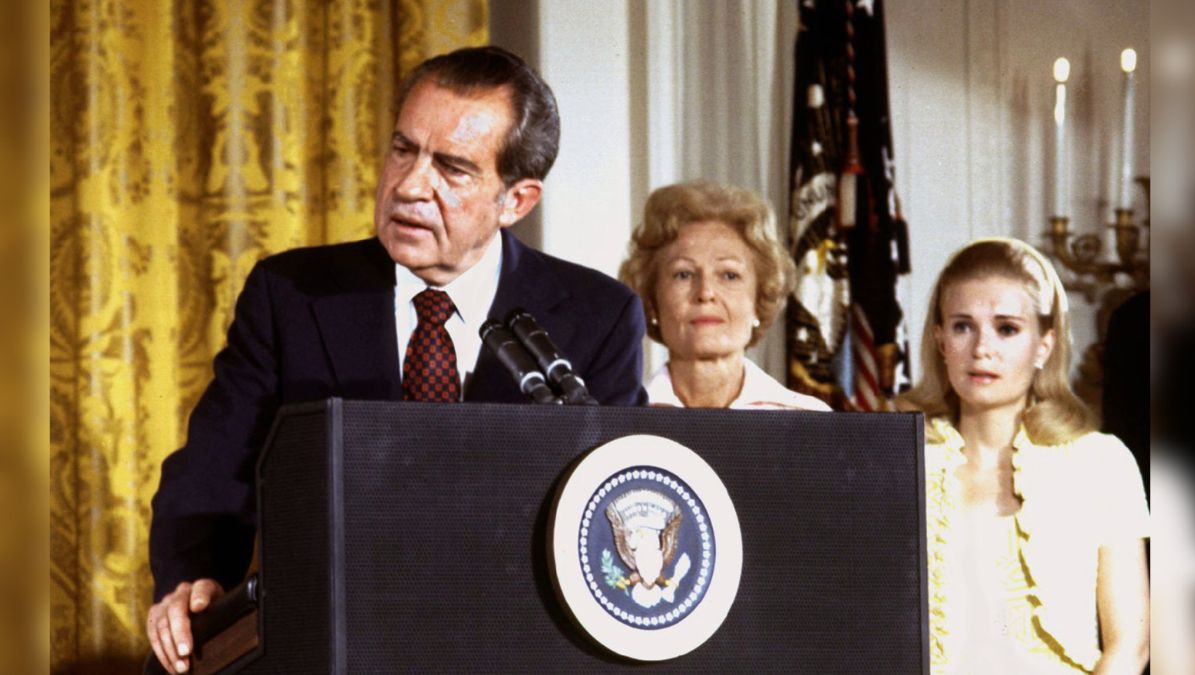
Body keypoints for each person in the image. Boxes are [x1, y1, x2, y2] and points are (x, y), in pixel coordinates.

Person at [146, 46, 647, 673]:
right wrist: (190, 578)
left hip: (513, 644)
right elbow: (214, 467)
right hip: (334, 640)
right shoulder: (293, 294)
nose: (410, 185)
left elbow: (613, 506)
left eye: (453, 168)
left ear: (516, 200)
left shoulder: (596, 317)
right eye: (403, 150)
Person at [899, 238, 1148, 674]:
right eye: (962, 326)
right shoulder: (898, 463)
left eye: (1007, 328)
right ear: (940, 340)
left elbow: (1131, 645)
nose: (982, 348)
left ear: (1044, 344)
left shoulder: (1102, 463)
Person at [619, 181, 828, 410]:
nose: (706, 292)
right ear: (651, 302)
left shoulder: (808, 421)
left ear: (760, 300)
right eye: (683, 274)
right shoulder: (622, 422)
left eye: (729, 275)